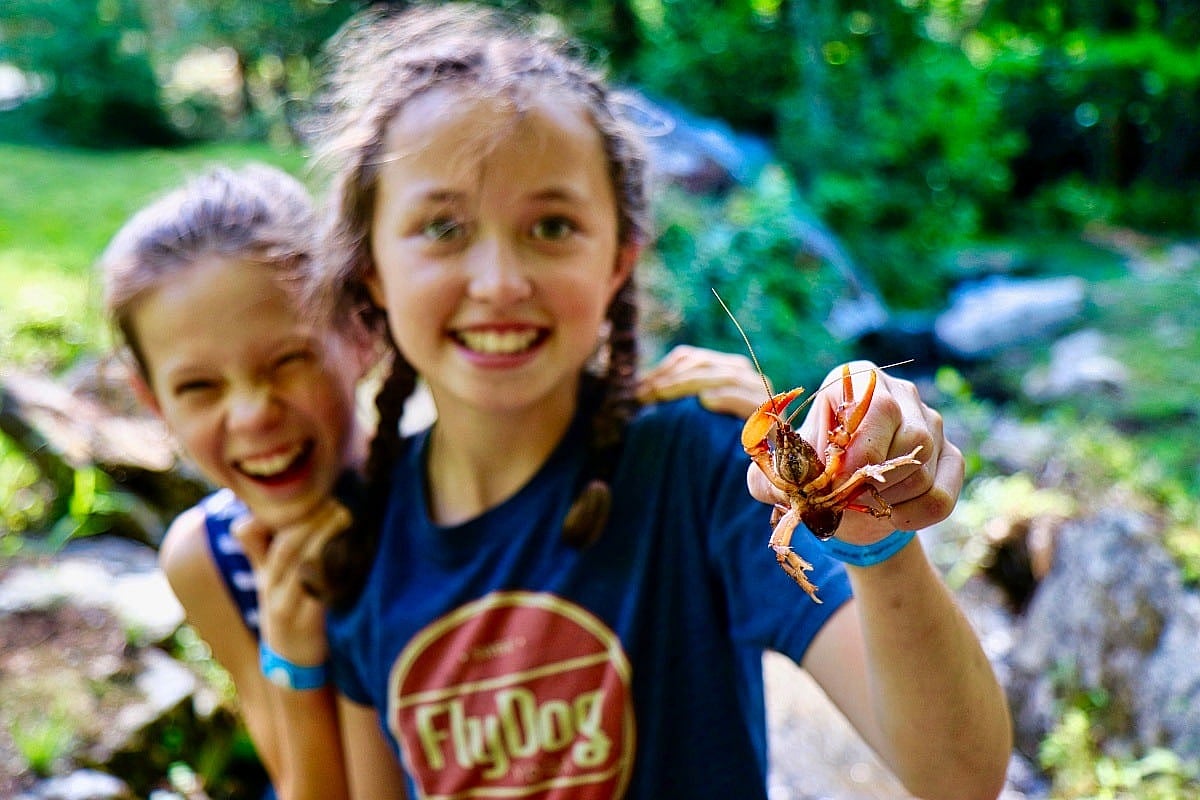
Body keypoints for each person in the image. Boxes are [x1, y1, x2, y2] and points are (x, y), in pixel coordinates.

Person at [303, 5, 1012, 800]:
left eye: (552, 225)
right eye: (442, 226)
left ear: (618, 260)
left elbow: (959, 777)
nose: (499, 282)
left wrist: (876, 546)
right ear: (371, 271)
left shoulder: (700, 464)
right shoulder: (356, 540)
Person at [97, 163, 769, 800]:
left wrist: (713, 405)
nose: (252, 414)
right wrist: (295, 662)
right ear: (151, 398)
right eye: (198, 386)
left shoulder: (461, 498)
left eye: (288, 360)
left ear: (363, 331)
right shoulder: (211, 562)